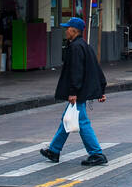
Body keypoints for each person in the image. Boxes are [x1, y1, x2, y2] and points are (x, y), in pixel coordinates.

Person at [40, 16, 108, 166]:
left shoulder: (76, 47)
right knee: (67, 119)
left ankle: (96, 153)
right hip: (82, 91)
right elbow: (96, 69)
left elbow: (76, 71)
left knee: (82, 122)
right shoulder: (84, 46)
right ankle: (54, 150)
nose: (65, 31)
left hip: (79, 93)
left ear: (74, 30)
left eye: (67, 28)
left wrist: (73, 92)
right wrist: (101, 89)